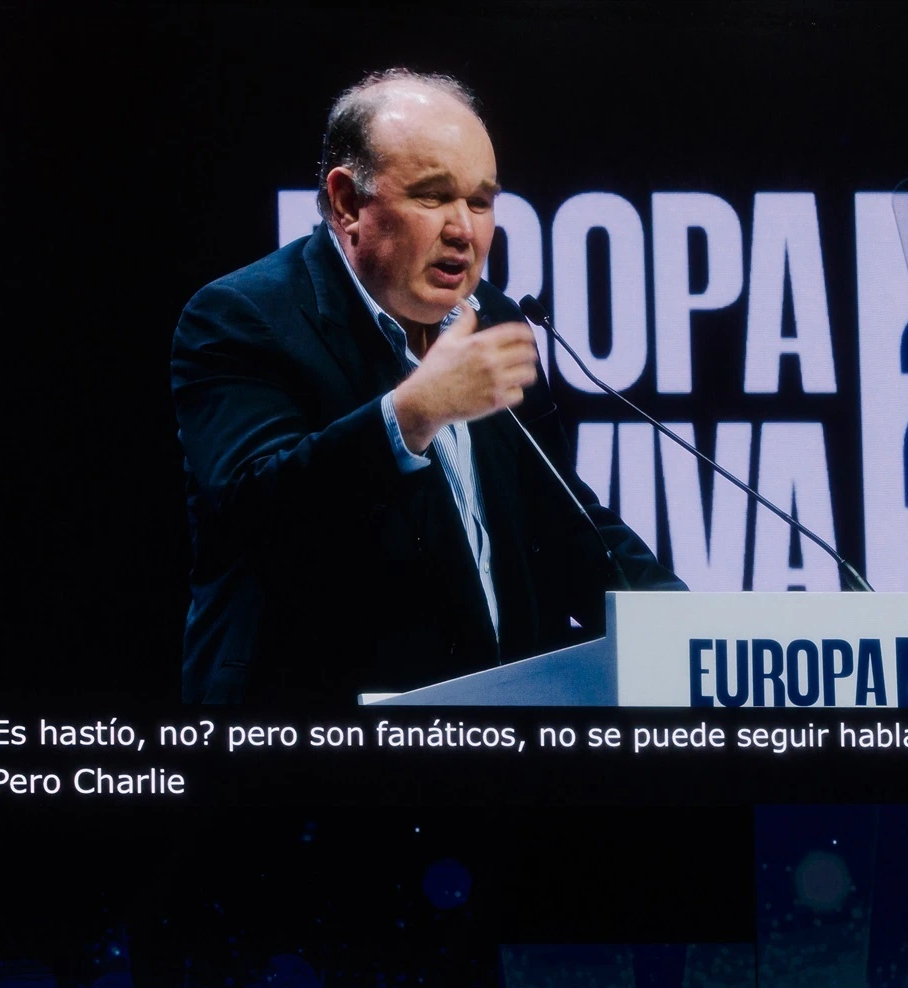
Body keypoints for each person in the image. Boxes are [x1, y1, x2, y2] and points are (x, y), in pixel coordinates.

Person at [171, 69, 681, 703]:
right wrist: (413, 412)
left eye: (481, 201)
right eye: (434, 197)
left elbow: (560, 519)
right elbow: (261, 515)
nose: (465, 230)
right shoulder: (242, 317)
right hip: (313, 746)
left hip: (498, 742)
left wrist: (692, 632)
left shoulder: (490, 316)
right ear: (348, 204)